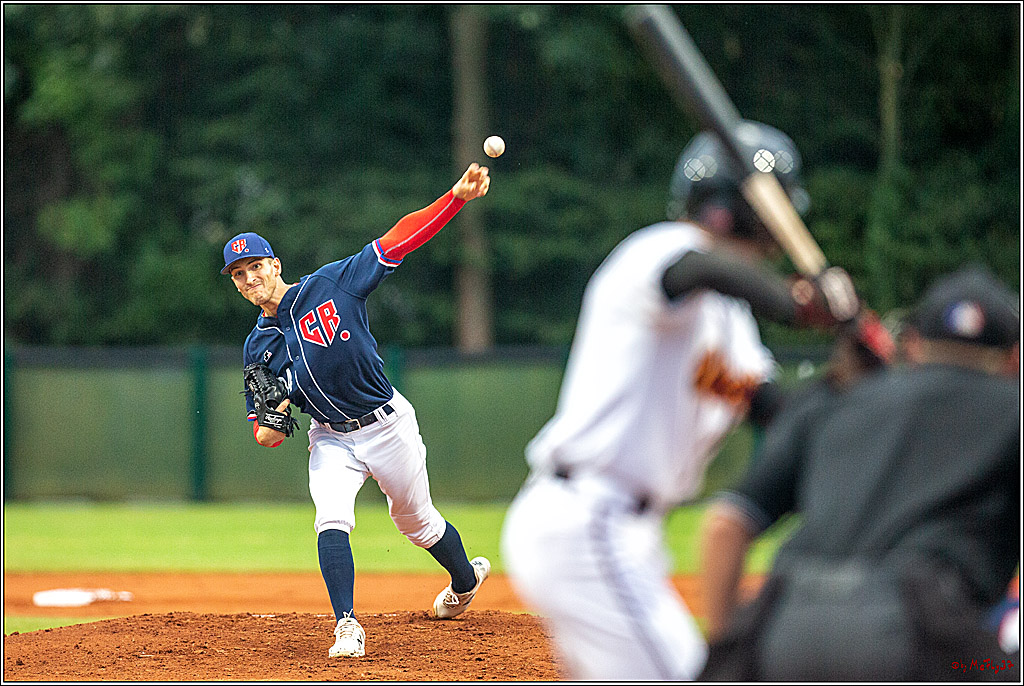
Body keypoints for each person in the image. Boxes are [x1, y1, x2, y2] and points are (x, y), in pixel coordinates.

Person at [499, 121, 868, 681]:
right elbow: (699, 268)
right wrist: (795, 303)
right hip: (589, 522)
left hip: (621, 534)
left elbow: (775, 409)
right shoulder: (664, 250)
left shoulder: (729, 320)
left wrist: (853, 378)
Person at [698, 265, 1020, 681]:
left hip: (785, 626)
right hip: (917, 633)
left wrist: (725, 652)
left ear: (914, 345)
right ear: (1015, 357)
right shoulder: (1014, 408)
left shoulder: (837, 403)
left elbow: (725, 526)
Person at [222, 163, 492, 659]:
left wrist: (454, 198)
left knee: (418, 524)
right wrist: (275, 420)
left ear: (275, 265)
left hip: (386, 424)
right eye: (239, 274)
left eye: (255, 266)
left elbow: (398, 240)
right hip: (330, 437)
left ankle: (465, 580)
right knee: (331, 517)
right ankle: (347, 624)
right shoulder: (256, 349)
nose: (249, 277)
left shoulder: (331, 285)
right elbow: (265, 433)